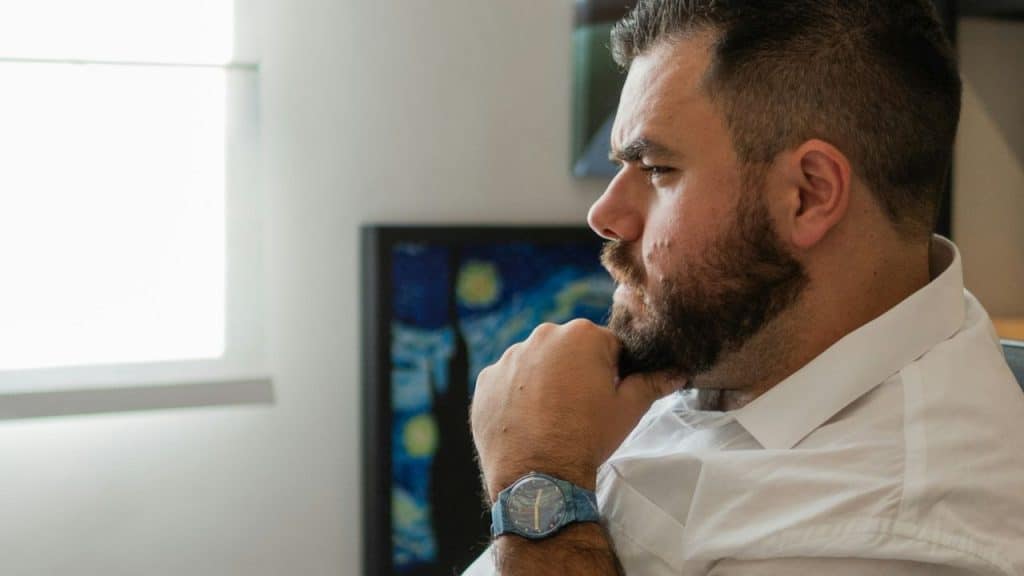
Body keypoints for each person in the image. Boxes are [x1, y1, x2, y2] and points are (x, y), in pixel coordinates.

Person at [463, 1, 1024, 574]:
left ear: (807, 194)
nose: (603, 215)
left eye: (656, 169)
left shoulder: (893, 533)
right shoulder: (737, 333)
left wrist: (538, 482)